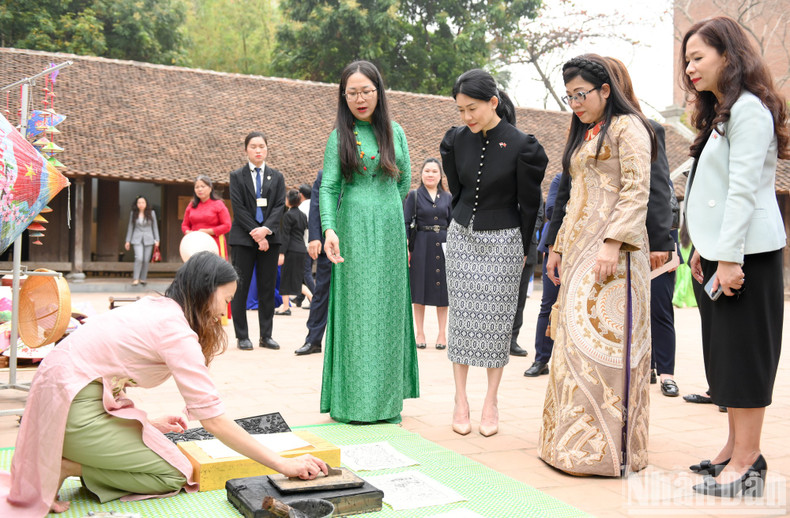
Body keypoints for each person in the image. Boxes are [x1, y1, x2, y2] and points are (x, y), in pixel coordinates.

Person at [0, 252, 328, 517]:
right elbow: (213, 420)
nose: (222, 311)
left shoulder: (155, 306)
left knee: (161, 446)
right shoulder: (176, 331)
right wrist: (283, 463)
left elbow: (106, 364)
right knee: (175, 474)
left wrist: (147, 423)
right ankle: (68, 465)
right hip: (72, 410)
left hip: (61, 399)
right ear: (205, 291)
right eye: (223, 299)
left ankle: (69, 458)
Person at [681, 16, 788, 497]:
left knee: (745, 358)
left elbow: (743, 190)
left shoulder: (749, 110)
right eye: (686, 60)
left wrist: (729, 258)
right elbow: (715, 193)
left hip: (748, 256)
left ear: (729, 55)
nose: (690, 69)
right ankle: (733, 448)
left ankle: (747, 462)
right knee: (725, 355)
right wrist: (706, 247)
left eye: (698, 57)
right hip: (724, 252)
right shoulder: (725, 110)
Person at [537, 55, 656, 476]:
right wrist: (557, 246)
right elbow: (574, 198)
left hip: (615, 259)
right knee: (573, 348)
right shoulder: (587, 134)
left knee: (607, 351)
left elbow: (637, 189)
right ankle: (569, 447)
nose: (575, 103)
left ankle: (608, 453)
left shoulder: (629, 128)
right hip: (580, 254)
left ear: (606, 91)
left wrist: (612, 242)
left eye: (581, 94)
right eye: (569, 96)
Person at [440, 69, 547, 437]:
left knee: (497, 323)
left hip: (504, 240)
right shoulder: (455, 141)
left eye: (472, 108)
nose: (466, 117)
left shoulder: (523, 145)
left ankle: (491, 400)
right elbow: (456, 189)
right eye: (460, 110)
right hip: (461, 238)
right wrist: (460, 219)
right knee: (463, 320)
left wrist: (524, 248)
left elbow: (530, 204)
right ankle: (460, 399)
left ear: (493, 102)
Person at [319, 60, 419, 423]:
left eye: (366, 91)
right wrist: (330, 228)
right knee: (358, 311)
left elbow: (404, 180)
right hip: (353, 227)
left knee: (388, 311)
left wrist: (384, 207)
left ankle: (386, 402)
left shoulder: (396, 132)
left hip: (390, 227)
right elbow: (329, 187)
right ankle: (354, 402)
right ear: (343, 97)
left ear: (378, 92)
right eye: (352, 93)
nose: (360, 99)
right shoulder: (338, 137)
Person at [605, 57, 680, 398]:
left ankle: (666, 371)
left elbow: (660, 187)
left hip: (651, 238)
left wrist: (662, 240)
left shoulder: (648, 128)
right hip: (610, 239)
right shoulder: (591, 132)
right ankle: (640, 367)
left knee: (660, 308)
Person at [228, 131, 286, 351]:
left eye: (262, 146)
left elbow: (279, 206)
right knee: (240, 288)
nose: (258, 150)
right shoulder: (237, 176)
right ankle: (242, 336)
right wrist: (256, 232)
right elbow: (239, 208)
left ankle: (266, 335)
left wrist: (266, 231)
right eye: (253, 146)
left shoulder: (277, 177)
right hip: (244, 238)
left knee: (267, 287)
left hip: (270, 239)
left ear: (267, 149)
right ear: (246, 150)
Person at [403, 158, 452, 350]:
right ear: (421, 174)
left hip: (444, 245)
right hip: (421, 245)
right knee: (419, 290)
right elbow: (406, 223)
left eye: (434, 171)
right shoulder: (414, 196)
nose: (430, 174)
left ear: (440, 176)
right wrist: (407, 247)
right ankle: (420, 332)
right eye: (427, 171)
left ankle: (442, 334)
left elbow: (455, 223)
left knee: (443, 292)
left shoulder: (448, 197)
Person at [524, 173, 562, 377]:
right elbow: (551, 209)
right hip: (557, 246)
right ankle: (541, 359)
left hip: (590, 248)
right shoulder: (561, 179)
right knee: (548, 304)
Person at [182, 175, 233, 322]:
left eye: (203, 186)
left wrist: (208, 231)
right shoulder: (191, 205)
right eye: (197, 187)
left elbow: (227, 225)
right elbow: (185, 225)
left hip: (214, 244)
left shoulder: (218, 205)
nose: (199, 189)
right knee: (195, 277)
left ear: (210, 188)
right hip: (195, 245)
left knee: (215, 278)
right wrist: (188, 232)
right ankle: (197, 312)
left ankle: (219, 314)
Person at [296, 170, 331, 356]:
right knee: (321, 292)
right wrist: (315, 238)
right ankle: (313, 340)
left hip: (357, 243)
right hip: (329, 243)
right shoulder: (323, 174)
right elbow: (315, 206)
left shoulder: (363, 167)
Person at [510, 198, 544, 357]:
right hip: (502, 247)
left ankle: (512, 340)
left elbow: (539, 216)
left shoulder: (533, 186)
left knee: (519, 300)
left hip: (528, 248)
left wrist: (524, 231)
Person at [276, 189, 310, 316]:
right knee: (297, 279)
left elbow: (285, 236)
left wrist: (281, 253)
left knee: (285, 278)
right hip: (301, 249)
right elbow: (305, 231)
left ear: (288, 201)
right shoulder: (303, 215)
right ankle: (312, 297)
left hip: (291, 250)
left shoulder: (288, 215)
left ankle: (285, 307)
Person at [124, 195, 160, 286]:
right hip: (136, 238)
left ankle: (143, 278)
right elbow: (130, 227)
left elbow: (155, 227)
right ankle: (136, 278)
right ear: (136, 204)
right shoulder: (133, 213)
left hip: (149, 238)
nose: (141, 204)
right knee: (139, 257)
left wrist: (157, 239)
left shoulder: (152, 213)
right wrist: (127, 240)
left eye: (143, 202)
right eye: (139, 203)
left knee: (145, 259)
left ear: (146, 203)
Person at [293, 183, 316, 309]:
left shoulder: (301, 207)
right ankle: (299, 298)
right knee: (304, 271)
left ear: (301, 195)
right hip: (314, 241)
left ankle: (315, 298)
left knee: (306, 272)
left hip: (304, 243)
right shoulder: (314, 204)